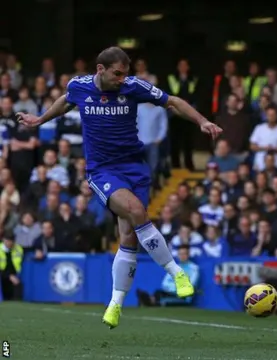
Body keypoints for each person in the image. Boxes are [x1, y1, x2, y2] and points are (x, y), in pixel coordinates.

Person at [17, 47, 222, 329]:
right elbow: (66, 101)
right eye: (118, 73)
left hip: (135, 168)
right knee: (136, 211)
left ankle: (115, 304)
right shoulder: (79, 86)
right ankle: (177, 273)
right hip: (102, 171)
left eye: (126, 73)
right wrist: (40, 120)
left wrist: (202, 120)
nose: (123, 79)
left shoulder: (133, 87)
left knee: (129, 236)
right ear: (100, 70)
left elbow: (172, 101)